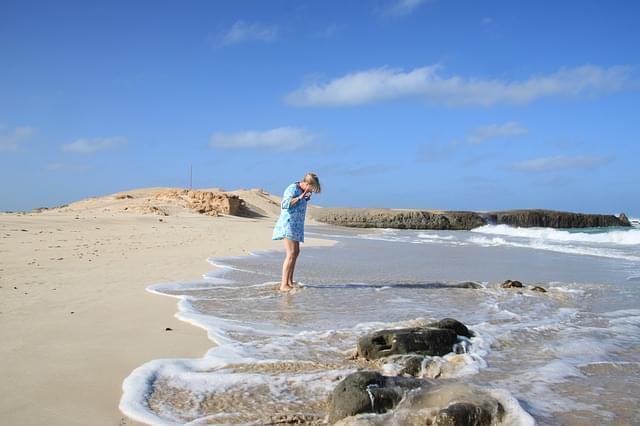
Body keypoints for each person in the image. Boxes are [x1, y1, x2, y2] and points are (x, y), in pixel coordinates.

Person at [272, 172, 322, 292]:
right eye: (312, 188)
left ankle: (289, 281)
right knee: (291, 253)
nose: (312, 191)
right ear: (307, 183)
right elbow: (285, 204)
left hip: (297, 226)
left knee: (296, 252)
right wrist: (300, 197)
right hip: (288, 224)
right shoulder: (293, 188)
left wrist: (304, 198)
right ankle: (283, 284)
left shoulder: (302, 191)